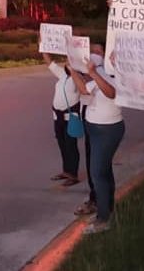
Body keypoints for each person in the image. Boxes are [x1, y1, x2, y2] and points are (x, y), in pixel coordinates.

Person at [70, 52, 124, 234]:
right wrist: (73, 70)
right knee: (104, 171)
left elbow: (111, 93)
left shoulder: (120, 78)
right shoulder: (100, 76)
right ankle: (106, 210)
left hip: (108, 130)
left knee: (97, 173)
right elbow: (84, 90)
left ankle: (104, 219)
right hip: (94, 128)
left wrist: (94, 73)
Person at [44, 53, 81, 188]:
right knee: (62, 144)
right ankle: (66, 171)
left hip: (70, 118)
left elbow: (82, 89)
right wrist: (43, 46)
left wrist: (75, 71)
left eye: (70, 61)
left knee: (71, 145)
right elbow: (49, 63)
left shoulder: (78, 78)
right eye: (66, 61)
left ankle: (73, 175)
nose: (67, 63)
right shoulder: (62, 75)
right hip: (57, 117)